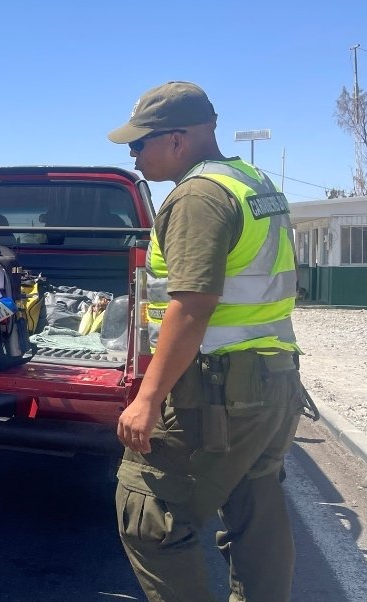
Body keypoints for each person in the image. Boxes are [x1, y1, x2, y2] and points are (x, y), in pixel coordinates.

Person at [107, 82, 308, 602]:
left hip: (217, 389)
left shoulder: (197, 196)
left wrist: (148, 400)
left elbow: (192, 305)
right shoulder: (250, 181)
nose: (134, 155)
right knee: (255, 510)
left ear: (177, 140)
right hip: (270, 381)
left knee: (147, 512)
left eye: (139, 144)